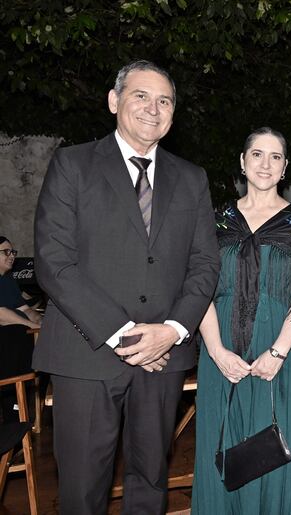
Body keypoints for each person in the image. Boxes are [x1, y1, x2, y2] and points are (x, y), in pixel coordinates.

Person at [33, 60, 220, 515]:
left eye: (165, 101)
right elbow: (54, 263)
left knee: (151, 480)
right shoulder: (72, 164)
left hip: (165, 358)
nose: (153, 108)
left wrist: (173, 329)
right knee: (81, 490)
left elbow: (204, 264)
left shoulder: (191, 178)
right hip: (86, 354)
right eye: (141, 96)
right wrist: (127, 334)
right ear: (114, 101)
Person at [191, 128, 291, 513]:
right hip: (223, 350)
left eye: (276, 157)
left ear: (285, 168)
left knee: (281, 454)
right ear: (242, 161)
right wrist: (215, 350)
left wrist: (278, 352)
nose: (266, 164)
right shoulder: (215, 223)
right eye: (257, 154)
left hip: (282, 354)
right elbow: (199, 289)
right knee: (225, 451)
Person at [0, 236, 41, 422]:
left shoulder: (8, 281)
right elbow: (1, 314)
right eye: (5, 252)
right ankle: (13, 416)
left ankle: (27, 412)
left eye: (13, 252)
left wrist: (41, 322)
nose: (11, 256)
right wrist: (31, 326)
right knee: (15, 333)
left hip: (21, 342)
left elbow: (26, 310)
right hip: (6, 345)